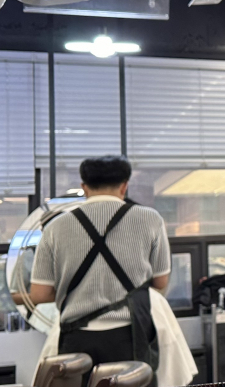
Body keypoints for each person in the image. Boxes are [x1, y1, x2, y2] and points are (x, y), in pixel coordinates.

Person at [29, 156, 170, 369]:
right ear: (124, 186)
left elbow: (38, 294)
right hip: (131, 335)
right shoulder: (151, 219)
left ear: (84, 187)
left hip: (76, 337)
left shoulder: (55, 228)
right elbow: (160, 282)